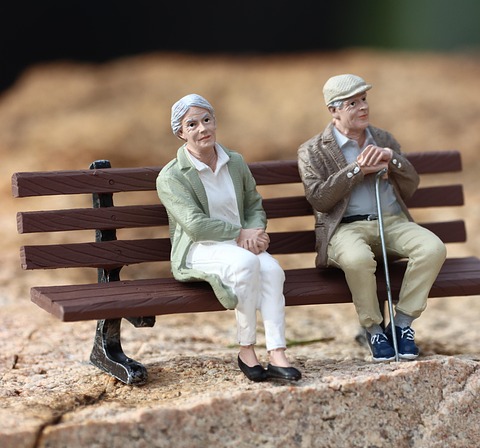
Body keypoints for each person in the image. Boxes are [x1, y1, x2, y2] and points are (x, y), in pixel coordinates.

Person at [297, 73, 447, 362]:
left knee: (432, 248)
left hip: (391, 221)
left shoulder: (383, 138)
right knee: (357, 259)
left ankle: (401, 324)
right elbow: (319, 199)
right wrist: (356, 171)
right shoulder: (312, 150)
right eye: (352, 103)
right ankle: (374, 329)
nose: (363, 106)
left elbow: (411, 185)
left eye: (364, 99)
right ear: (333, 110)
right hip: (345, 228)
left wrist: (393, 159)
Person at [156, 93, 301, 382]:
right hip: (200, 248)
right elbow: (195, 225)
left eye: (206, 120)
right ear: (181, 133)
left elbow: (253, 205)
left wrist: (256, 233)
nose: (202, 128)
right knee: (246, 265)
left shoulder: (234, 162)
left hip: (240, 243)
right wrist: (239, 234)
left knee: (273, 270)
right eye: (192, 124)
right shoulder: (172, 177)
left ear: (215, 121)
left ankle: (277, 353)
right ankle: (246, 350)